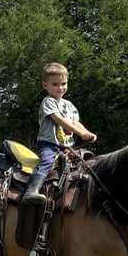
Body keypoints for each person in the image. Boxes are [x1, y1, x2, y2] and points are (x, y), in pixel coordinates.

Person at [23, 63, 97, 204]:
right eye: (55, 84)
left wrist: (87, 132)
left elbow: (76, 122)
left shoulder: (69, 105)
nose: (61, 87)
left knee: (85, 164)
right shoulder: (48, 102)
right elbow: (60, 120)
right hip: (49, 144)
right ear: (46, 86)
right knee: (47, 162)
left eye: (64, 83)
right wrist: (80, 133)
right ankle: (31, 190)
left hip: (68, 147)